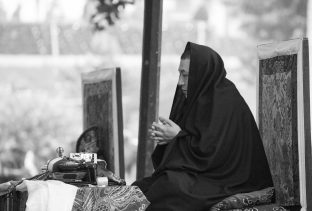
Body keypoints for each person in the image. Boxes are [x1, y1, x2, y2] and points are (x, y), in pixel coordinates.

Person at [132, 42, 273, 211]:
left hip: (227, 180)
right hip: (202, 175)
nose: (180, 82)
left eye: (185, 75)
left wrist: (177, 137)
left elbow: (213, 153)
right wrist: (172, 138)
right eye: (180, 74)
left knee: (168, 188)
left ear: (201, 74)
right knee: (140, 186)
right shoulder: (194, 99)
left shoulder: (225, 99)